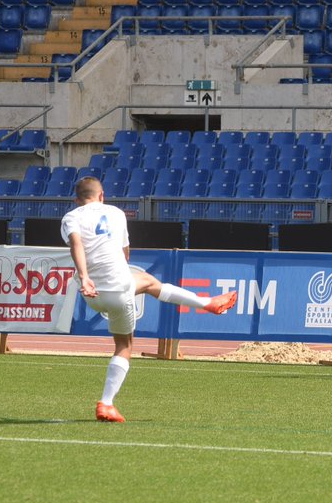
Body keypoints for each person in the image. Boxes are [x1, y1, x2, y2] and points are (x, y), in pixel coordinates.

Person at [61, 176, 237, 423]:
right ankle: (106, 403)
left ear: (76, 200)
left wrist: (84, 277)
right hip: (119, 290)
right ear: (102, 196)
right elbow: (125, 253)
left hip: (91, 293)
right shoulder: (116, 213)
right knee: (124, 345)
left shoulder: (71, 217)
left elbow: (76, 244)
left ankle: (208, 303)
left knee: (147, 281)